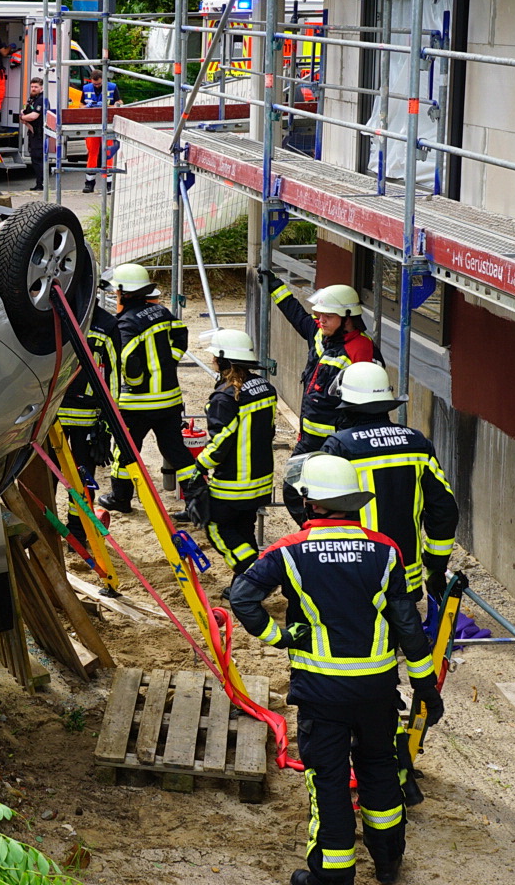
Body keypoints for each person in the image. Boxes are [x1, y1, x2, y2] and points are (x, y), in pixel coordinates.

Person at [230, 454, 444, 885]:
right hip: (376, 691)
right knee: (380, 770)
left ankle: (332, 874)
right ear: (353, 501)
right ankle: (388, 863)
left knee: (327, 780)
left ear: (308, 501)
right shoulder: (386, 550)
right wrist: (425, 685)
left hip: (320, 693)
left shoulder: (287, 552)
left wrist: (281, 637)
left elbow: (241, 598)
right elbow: (407, 623)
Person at [320, 360, 459, 805]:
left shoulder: (339, 446)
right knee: (386, 670)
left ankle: (389, 766)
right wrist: (435, 563)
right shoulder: (416, 444)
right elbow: (444, 509)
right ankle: (395, 765)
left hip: (354, 581)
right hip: (405, 580)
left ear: (349, 404)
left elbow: (318, 506)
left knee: (354, 675)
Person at [263, 272, 380, 522]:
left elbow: (368, 402)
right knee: (295, 488)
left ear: (348, 317)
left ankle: (328, 534)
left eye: (328, 315)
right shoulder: (321, 335)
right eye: (319, 314)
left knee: (330, 495)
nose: (320, 320)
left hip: (337, 442)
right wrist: (275, 286)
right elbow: (297, 315)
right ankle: (314, 532)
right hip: (310, 438)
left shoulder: (361, 349)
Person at [96, 262, 206, 517]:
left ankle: (120, 498)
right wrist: (170, 361)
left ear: (124, 292)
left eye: (116, 291)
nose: (114, 295)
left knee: (124, 450)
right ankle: (197, 503)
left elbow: (129, 360)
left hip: (139, 405)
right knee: (175, 451)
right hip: (168, 400)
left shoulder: (125, 324)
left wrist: (133, 383)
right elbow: (181, 333)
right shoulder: (160, 312)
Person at [193, 329, 277, 589]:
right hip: (261, 480)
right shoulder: (266, 388)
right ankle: (244, 584)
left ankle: (254, 572)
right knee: (244, 530)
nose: (212, 362)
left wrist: (199, 466)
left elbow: (220, 443)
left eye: (214, 358)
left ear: (223, 361)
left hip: (233, 484)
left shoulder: (225, 397)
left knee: (216, 528)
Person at [57, 293, 120, 533]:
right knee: (83, 477)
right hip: (87, 417)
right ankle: (78, 529)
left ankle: (51, 528)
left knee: (50, 474)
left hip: (54, 418)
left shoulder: (54, 317)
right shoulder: (106, 325)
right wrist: (107, 421)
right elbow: (113, 377)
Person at [80, 68, 121, 194]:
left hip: (108, 125)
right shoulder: (86, 88)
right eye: (94, 83)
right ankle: (89, 183)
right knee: (92, 153)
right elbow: (81, 104)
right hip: (92, 125)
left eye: (98, 83)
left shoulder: (112, 87)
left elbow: (119, 102)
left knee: (108, 154)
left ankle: (109, 185)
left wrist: (109, 107)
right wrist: (87, 107)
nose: (96, 85)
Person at [20, 77, 48, 192]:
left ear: (41, 88)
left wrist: (22, 117)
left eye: (36, 87)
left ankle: (41, 184)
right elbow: (26, 112)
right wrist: (24, 116)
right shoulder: (32, 99)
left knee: (38, 160)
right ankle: (39, 183)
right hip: (34, 133)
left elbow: (34, 116)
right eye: (32, 87)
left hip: (39, 134)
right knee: (35, 160)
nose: (33, 89)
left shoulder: (42, 99)